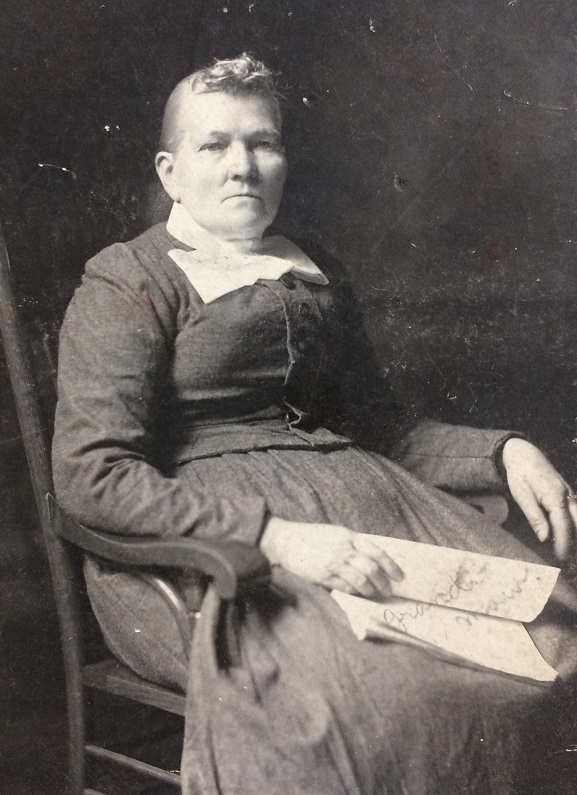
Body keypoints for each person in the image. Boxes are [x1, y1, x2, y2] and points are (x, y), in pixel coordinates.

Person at [52, 54, 577, 794]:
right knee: (395, 698)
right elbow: (91, 475)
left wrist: (506, 453)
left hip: (368, 514)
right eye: (214, 145)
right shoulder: (130, 279)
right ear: (170, 171)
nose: (242, 165)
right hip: (203, 560)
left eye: (262, 142)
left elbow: (382, 429)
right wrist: (274, 538)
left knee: (553, 638)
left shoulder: (311, 268)